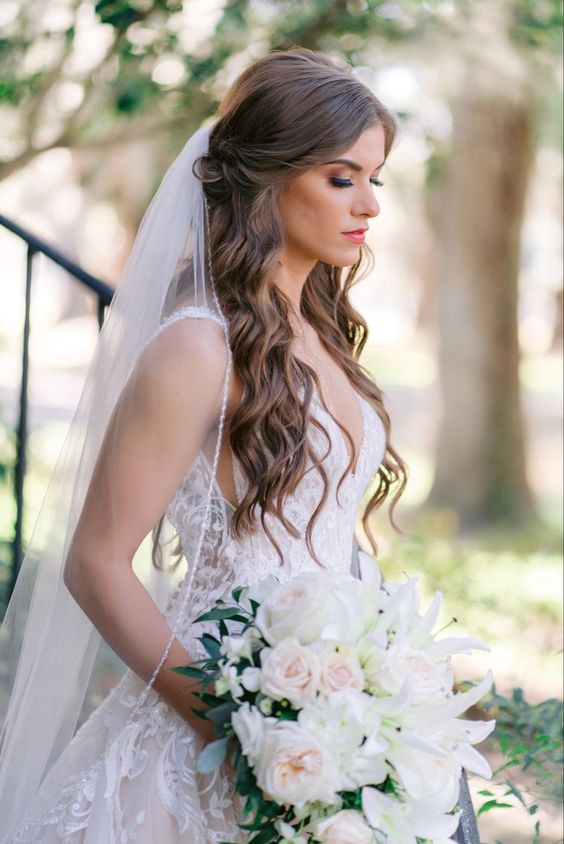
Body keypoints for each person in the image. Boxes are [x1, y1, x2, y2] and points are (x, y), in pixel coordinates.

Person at [0, 48, 477, 843]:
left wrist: (375, 698)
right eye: (341, 177)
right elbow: (94, 561)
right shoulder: (197, 347)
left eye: (375, 178)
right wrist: (240, 731)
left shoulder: (322, 333)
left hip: (340, 722)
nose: (370, 204)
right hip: (213, 733)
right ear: (268, 177)